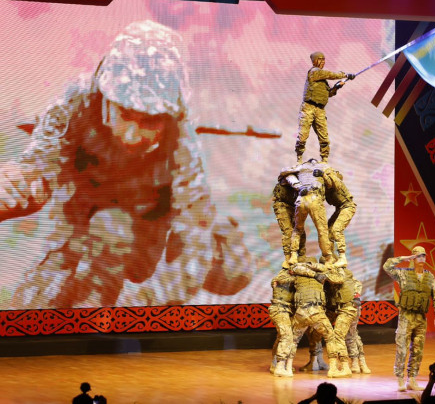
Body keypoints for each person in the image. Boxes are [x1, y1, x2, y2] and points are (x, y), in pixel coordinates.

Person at [1, 20, 250, 309]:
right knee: (38, 299)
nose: (132, 135)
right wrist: (13, 190)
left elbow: (192, 247)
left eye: (150, 121)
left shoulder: (181, 141)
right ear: (105, 97)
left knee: (232, 269)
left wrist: (136, 309)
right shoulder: (78, 103)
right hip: (82, 214)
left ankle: (221, 239)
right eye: (125, 114)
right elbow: (37, 169)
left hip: (147, 224)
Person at [383, 245, 435, 392]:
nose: (421, 258)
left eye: (423, 255)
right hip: (406, 317)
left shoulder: (429, 276)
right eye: (418, 256)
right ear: (413, 258)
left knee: (417, 351)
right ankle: (400, 379)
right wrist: (405, 258)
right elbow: (387, 266)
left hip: (420, 319)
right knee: (402, 350)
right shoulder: (403, 274)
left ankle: (412, 380)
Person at [294, 52, 354, 164]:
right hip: (308, 108)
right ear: (314, 61)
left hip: (320, 110)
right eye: (320, 59)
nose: (322, 62)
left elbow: (328, 94)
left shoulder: (323, 81)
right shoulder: (314, 72)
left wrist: (336, 87)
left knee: (324, 138)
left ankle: (324, 160)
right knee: (302, 137)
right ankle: (299, 159)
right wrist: (345, 75)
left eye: (324, 59)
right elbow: (330, 74)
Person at [289, 257, 344, 377]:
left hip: (301, 312)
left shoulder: (298, 273)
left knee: (292, 339)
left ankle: (287, 367)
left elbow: (295, 267)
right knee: (330, 337)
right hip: (316, 312)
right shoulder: (323, 274)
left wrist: (312, 268)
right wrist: (319, 270)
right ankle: (333, 368)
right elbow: (339, 278)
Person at [279, 159, 333, 265]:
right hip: (314, 198)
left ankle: (293, 255)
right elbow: (331, 184)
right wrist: (323, 175)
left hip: (302, 198)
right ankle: (328, 258)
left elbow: (284, 173)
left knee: (297, 229)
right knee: (322, 230)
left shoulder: (301, 167)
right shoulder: (323, 167)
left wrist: (298, 185)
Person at [323, 167, 356, 269]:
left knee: (336, 229)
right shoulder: (324, 187)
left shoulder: (335, 180)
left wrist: (323, 175)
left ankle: (342, 257)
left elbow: (336, 184)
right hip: (339, 208)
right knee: (328, 230)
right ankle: (331, 256)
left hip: (348, 206)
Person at [272, 176, 306, 268]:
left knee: (300, 230)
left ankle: (301, 255)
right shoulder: (288, 175)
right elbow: (288, 181)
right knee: (288, 231)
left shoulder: (301, 177)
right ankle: (288, 258)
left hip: (294, 205)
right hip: (281, 205)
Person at [269, 267, 295, 377]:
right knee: (287, 336)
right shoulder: (283, 275)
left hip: (285, 310)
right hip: (279, 309)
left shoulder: (291, 278)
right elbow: (277, 280)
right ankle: (279, 366)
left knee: (281, 336)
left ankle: (275, 364)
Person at [346, 276, 371, 374]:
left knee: (350, 334)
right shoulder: (349, 277)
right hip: (351, 307)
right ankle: (361, 361)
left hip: (349, 308)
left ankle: (356, 362)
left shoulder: (345, 277)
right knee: (353, 334)